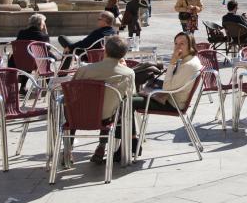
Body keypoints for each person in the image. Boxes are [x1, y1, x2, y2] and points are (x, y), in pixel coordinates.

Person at [72, 35, 136, 163]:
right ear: (123, 54)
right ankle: (102, 145)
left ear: (105, 51)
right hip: (107, 117)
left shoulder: (84, 70)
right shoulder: (128, 73)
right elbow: (130, 95)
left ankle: (68, 149)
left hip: (79, 115)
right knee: (112, 105)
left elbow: (72, 91)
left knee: (70, 105)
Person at [133, 32, 202, 114]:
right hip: (169, 97)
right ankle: (127, 126)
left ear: (190, 46)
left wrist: (172, 63)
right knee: (131, 97)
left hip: (172, 103)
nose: (177, 47)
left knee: (129, 101)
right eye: (176, 43)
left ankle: (125, 127)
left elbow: (166, 88)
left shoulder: (188, 65)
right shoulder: (191, 59)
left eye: (182, 44)